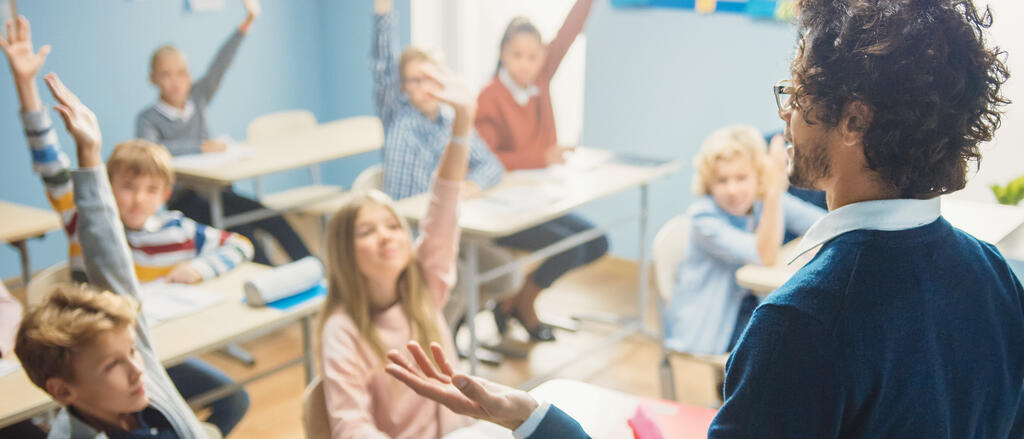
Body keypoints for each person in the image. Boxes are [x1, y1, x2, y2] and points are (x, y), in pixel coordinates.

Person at [385, 0, 1024, 437]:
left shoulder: (801, 323)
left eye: (797, 96)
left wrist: (539, 423)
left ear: (854, 120)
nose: (786, 116)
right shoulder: (997, 277)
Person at [2, 16, 250, 435]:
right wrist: (31, 92)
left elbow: (237, 244)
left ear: (166, 193)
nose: (137, 198)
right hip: (96, 364)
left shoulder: (172, 229)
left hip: (154, 345)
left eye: (150, 188)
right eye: (126, 186)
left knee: (231, 398)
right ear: (107, 187)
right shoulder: (86, 220)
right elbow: (52, 164)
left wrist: (198, 269)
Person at [15, 72, 211, 439]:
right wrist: (28, 89)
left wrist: (90, 150)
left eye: (135, 352)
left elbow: (115, 276)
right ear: (62, 392)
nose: (139, 371)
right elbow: (105, 249)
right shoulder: (80, 216)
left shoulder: (134, 363)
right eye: (112, 367)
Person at [317, 59, 476, 438]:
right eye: (367, 231)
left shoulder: (425, 285)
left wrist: (464, 120)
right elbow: (350, 426)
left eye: (393, 226)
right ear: (345, 254)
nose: (387, 236)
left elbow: (443, 204)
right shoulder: (343, 331)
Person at [372, 0, 522, 339]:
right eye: (412, 80)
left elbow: (491, 166)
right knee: (461, 276)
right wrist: (383, 12)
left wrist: (472, 183)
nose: (422, 87)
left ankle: (449, 328)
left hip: (451, 230)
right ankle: (433, 336)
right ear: (401, 87)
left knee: (507, 274)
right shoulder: (396, 114)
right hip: (410, 232)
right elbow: (381, 62)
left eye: (429, 78)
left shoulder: (451, 121)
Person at [136, 0, 312, 267]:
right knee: (247, 241)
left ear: (190, 75)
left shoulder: (198, 95)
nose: (175, 82)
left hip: (218, 192)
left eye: (182, 73)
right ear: (153, 79)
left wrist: (247, 22)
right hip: (185, 202)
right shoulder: (148, 118)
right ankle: (274, 285)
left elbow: (222, 63)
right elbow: (151, 152)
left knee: (272, 218)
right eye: (166, 74)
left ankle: (317, 274)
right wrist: (200, 146)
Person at [476, 0, 608, 342]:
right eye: (517, 55)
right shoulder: (489, 99)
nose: (525, 64)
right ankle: (525, 304)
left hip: (539, 199)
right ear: (503, 54)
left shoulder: (542, 77)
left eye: (533, 56)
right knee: (571, 247)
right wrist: (542, 157)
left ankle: (514, 300)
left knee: (595, 242)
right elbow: (486, 161)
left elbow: (570, 31)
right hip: (503, 210)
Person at [665, 125, 824, 355]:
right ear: (708, 183)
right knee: (790, 344)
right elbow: (764, 255)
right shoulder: (703, 217)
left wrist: (818, 241)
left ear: (757, 176)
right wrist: (773, 191)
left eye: (741, 178)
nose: (732, 190)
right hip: (714, 326)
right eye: (722, 180)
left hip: (751, 305)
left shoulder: (759, 202)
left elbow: (825, 223)